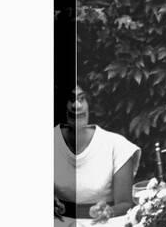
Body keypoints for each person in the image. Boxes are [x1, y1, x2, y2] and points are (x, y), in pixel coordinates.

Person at [54, 84, 141, 218]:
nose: (77, 106)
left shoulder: (116, 145)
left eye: (82, 98)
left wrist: (108, 211)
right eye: (70, 99)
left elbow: (125, 204)